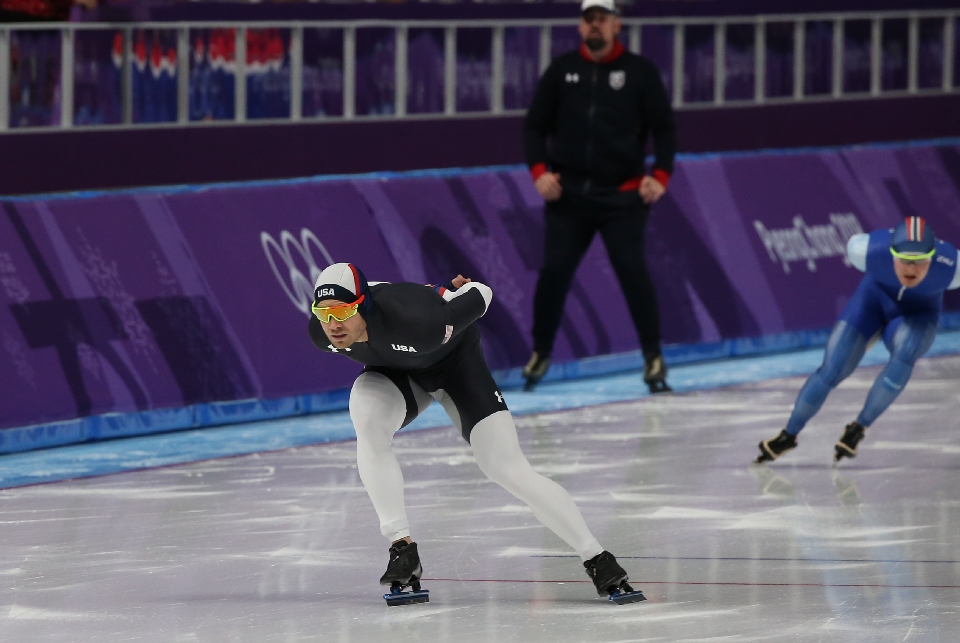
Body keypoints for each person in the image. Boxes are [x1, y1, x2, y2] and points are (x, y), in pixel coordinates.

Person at [308, 262, 645, 604]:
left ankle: (597, 557)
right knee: (368, 425)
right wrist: (431, 289)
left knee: (505, 468)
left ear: (362, 305)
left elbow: (482, 293)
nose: (333, 325)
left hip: (457, 369)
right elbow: (378, 285)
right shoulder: (321, 332)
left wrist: (447, 294)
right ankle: (401, 546)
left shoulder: (420, 324)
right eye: (324, 313)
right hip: (395, 373)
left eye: (344, 312)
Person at [521, 0, 677, 393]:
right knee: (554, 273)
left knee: (631, 270)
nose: (595, 26)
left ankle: (653, 356)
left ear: (617, 24)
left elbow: (666, 128)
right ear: (579, 25)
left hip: (622, 197)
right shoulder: (561, 71)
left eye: (602, 19)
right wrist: (540, 173)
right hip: (569, 198)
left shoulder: (640, 73)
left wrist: (659, 175)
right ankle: (540, 352)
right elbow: (534, 127)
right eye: (589, 19)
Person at [755, 217, 960, 465]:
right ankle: (788, 435)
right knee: (832, 369)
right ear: (891, 255)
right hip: (871, 304)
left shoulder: (953, 267)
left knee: (905, 354)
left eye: (921, 262)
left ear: (933, 257)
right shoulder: (865, 250)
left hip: (917, 315)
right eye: (905, 261)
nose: (912, 270)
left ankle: (858, 428)